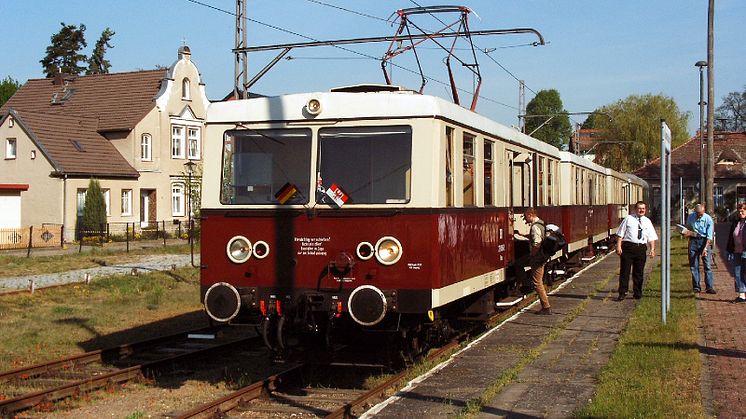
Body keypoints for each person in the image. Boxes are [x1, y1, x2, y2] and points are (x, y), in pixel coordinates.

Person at [615, 201, 658, 300]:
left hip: (641, 248)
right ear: (635, 209)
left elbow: (651, 237)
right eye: (639, 208)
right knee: (625, 271)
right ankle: (622, 292)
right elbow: (620, 234)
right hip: (628, 248)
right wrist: (618, 246)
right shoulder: (628, 219)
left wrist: (652, 249)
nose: (641, 210)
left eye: (643, 208)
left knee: (638, 272)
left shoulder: (647, 221)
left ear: (645, 210)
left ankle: (637, 293)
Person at [524, 208, 552, 314]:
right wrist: (523, 235)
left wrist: (532, 254)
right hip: (542, 256)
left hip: (538, 257)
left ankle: (546, 307)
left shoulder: (535, 226)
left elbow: (537, 243)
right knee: (538, 281)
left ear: (530, 215)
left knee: (537, 283)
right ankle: (545, 306)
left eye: (526, 216)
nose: (525, 219)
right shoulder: (542, 223)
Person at [684, 203, 715, 294]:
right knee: (694, 265)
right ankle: (696, 286)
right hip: (693, 241)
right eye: (698, 214)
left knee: (707, 265)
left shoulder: (708, 219)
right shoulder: (691, 217)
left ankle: (709, 287)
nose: (699, 216)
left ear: (704, 211)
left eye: (701, 214)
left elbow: (709, 237)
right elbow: (688, 229)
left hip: (704, 241)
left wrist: (705, 249)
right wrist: (686, 233)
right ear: (695, 212)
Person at [726, 203, 746, 302]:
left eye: (743, 211)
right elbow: (731, 236)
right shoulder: (736, 222)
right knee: (738, 273)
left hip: (745, 252)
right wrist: (728, 249)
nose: (740, 213)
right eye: (739, 211)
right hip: (736, 251)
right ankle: (742, 295)